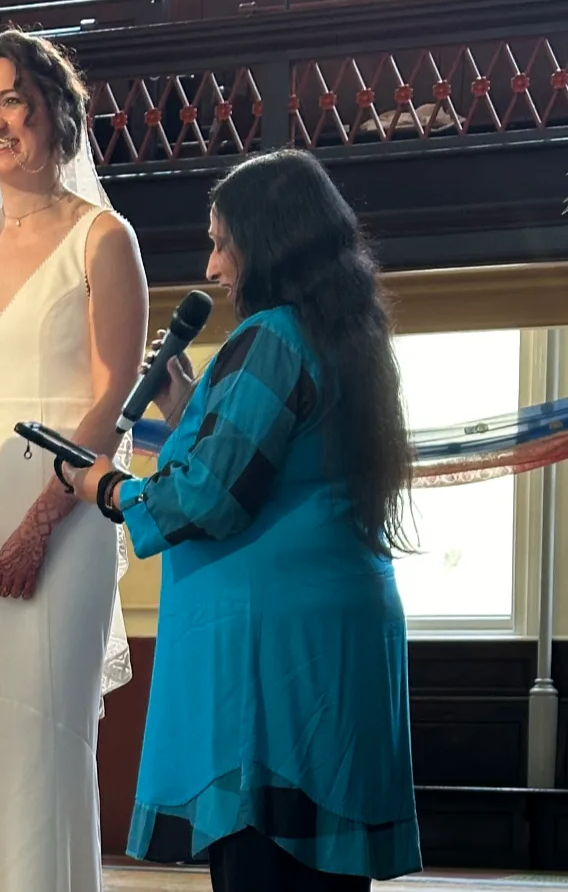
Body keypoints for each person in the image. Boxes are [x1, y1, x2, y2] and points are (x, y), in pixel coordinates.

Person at [64, 149, 423, 892]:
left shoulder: (272, 336)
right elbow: (277, 459)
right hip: (330, 637)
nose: (214, 261)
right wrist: (184, 405)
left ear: (269, 239)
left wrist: (105, 488)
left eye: (222, 240)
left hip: (271, 652)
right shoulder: (345, 333)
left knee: (263, 867)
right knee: (317, 876)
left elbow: (209, 496)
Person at [0, 29, 147, 892]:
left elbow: (114, 397)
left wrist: (44, 520)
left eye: (11, 100)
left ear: (54, 112)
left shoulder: (102, 238)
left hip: (67, 523)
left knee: (44, 738)